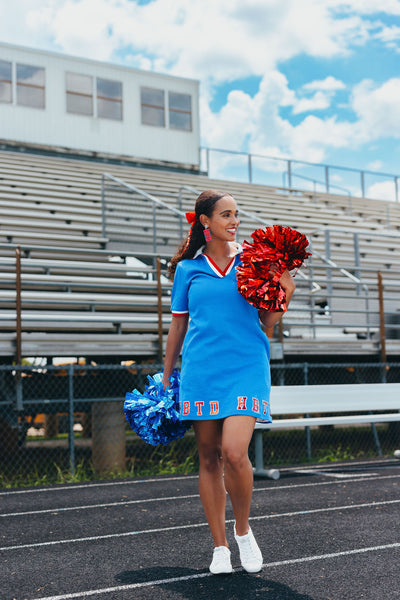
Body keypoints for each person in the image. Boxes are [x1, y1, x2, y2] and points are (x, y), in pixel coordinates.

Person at [162, 189, 296, 575]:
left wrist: (284, 293)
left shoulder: (254, 261)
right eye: (225, 214)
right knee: (208, 456)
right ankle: (219, 547)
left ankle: (242, 531)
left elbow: (266, 323)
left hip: (246, 365)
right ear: (205, 221)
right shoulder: (188, 270)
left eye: (236, 214)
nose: (234, 221)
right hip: (202, 368)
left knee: (235, 453)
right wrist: (168, 376)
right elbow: (178, 325)